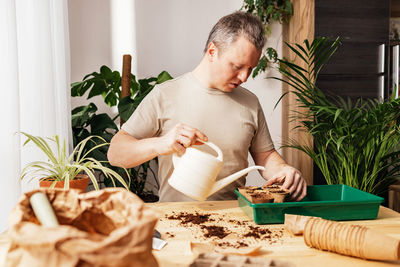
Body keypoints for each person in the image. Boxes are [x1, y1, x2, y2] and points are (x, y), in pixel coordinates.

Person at [108, 11, 307, 202]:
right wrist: (161, 144)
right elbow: (115, 154)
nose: (245, 77)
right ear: (212, 51)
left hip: (235, 220)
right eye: (237, 66)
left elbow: (265, 157)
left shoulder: (250, 102)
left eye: (250, 69)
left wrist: (283, 170)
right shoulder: (165, 94)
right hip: (175, 221)